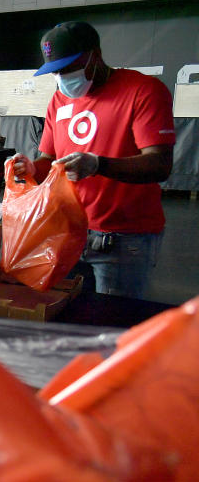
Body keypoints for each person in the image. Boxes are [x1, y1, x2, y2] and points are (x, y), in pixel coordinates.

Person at [11, 21, 175, 299]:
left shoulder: (142, 90)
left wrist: (99, 165)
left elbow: (160, 164)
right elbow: (49, 159)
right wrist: (30, 169)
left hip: (122, 238)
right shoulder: (59, 101)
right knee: (70, 316)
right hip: (69, 232)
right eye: (56, 72)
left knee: (112, 324)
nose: (62, 78)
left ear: (95, 55)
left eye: (69, 68)